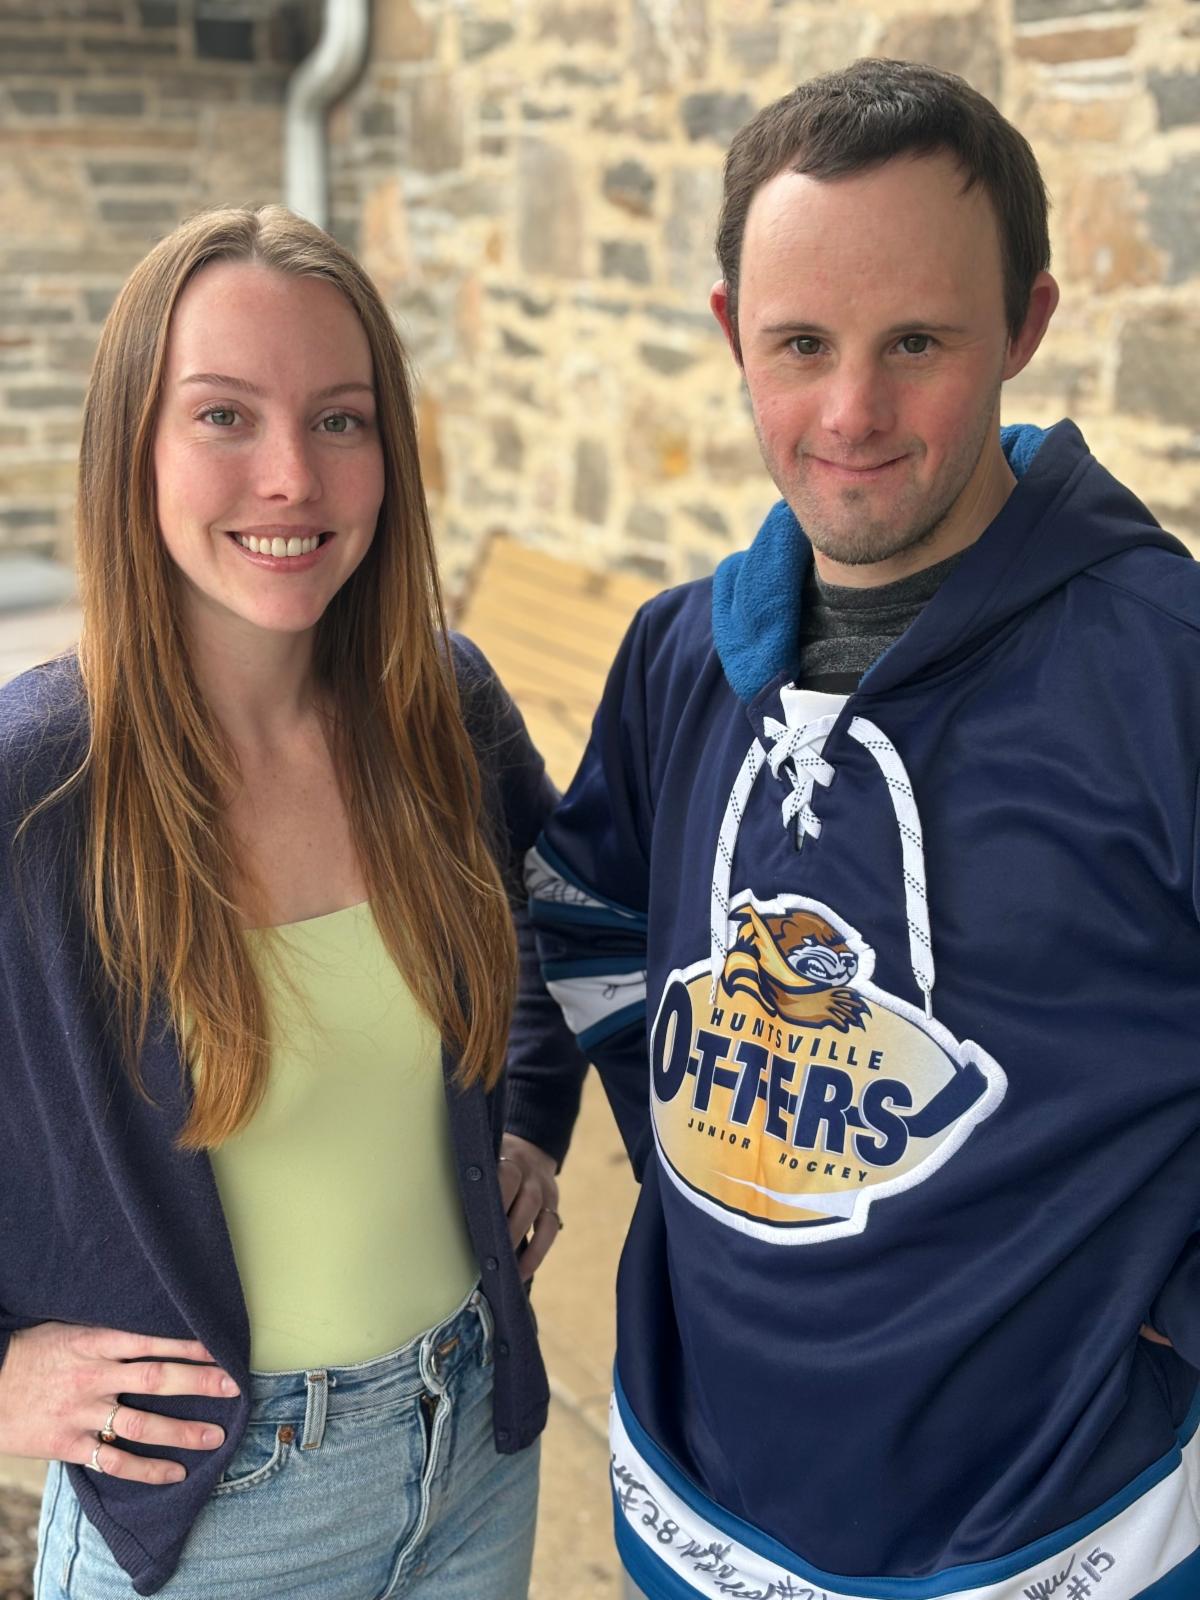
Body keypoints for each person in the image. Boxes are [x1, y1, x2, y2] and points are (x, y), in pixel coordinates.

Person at [526, 58, 1200, 1600]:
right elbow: (582, 915)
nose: (851, 411)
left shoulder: (1166, 674)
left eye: (918, 343)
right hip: (703, 1501)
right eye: (801, 345)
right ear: (728, 339)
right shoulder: (679, 653)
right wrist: (695, 1153)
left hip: (1068, 1531)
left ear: (1025, 326)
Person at [0, 204, 585, 1599]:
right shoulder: (37, 793)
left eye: (340, 418)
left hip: (480, 1449)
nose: (291, 477)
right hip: (217, 1517)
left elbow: (569, 942)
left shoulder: (442, 709)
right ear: (132, 445)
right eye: (222, 416)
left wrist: (533, 1131)